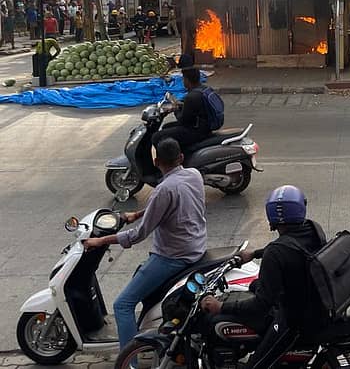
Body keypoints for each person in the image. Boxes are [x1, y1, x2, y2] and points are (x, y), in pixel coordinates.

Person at [83, 138, 207, 350]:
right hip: (196, 247)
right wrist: (138, 213)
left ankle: (130, 360)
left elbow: (139, 235)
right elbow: (169, 207)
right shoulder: (194, 175)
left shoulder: (163, 189)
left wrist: (100, 240)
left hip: (173, 257)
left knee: (122, 305)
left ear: (156, 161)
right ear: (181, 158)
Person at [200, 186, 325, 368]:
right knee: (255, 285)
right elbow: (290, 247)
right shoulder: (312, 228)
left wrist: (221, 306)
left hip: (293, 319)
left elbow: (260, 305)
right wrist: (255, 253)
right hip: (309, 298)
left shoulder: (275, 254)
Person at [150, 66, 215, 154]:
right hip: (203, 126)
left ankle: (170, 162)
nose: (183, 81)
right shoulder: (205, 89)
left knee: (156, 137)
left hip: (197, 131)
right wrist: (181, 106)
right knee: (166, 126)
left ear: (187, 80)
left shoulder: (191, 97)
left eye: (183, 79)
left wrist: (176, 108)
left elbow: (183, 120)